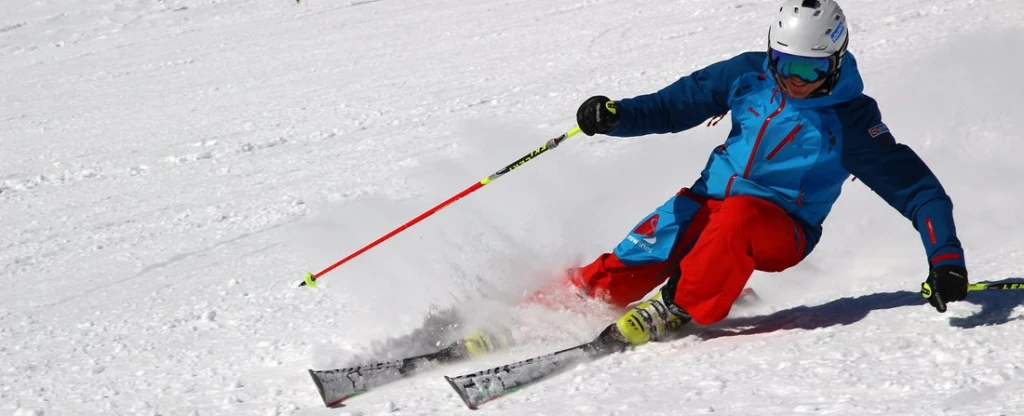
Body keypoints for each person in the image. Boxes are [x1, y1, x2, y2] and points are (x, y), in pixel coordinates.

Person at [567, 0, 969, 346]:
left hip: (781, 229)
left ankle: (677, 305)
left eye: (810, 70)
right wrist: (616, 117)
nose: (794, 79)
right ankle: (550, 310)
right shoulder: (748, 75)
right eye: (784, 63)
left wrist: (946, 259)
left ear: (835, 62)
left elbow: (919, 191)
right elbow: (674, 105)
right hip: (708, 202)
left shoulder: (851, 123)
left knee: (737, 219)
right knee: (635, 259)